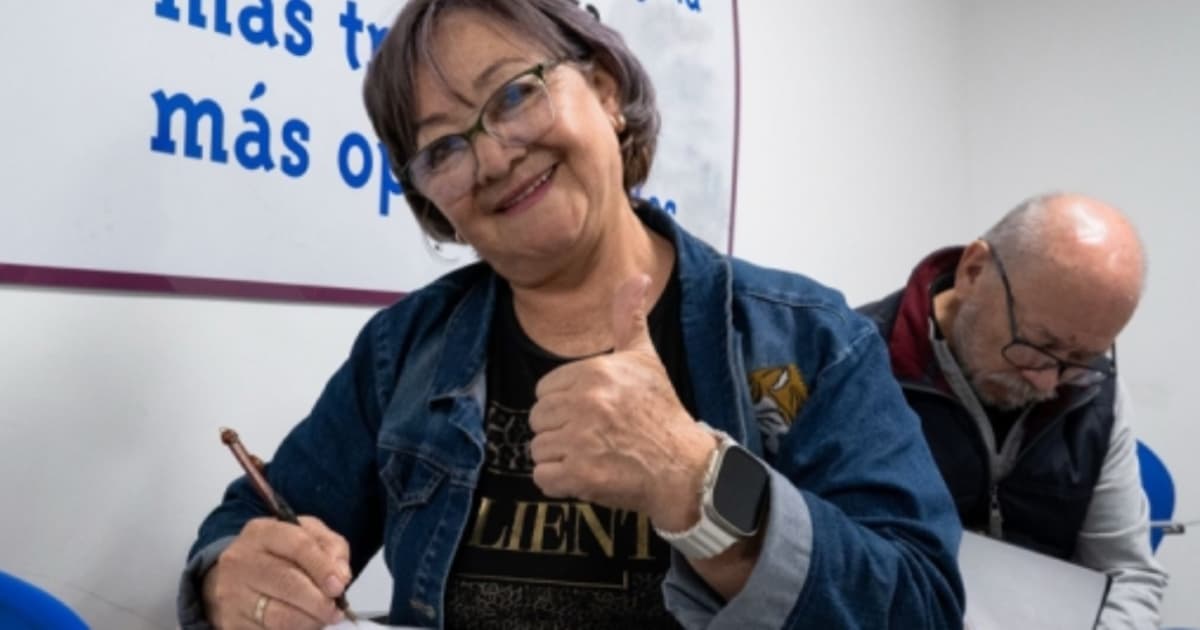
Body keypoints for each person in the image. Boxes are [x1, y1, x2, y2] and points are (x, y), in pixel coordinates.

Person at [177, 1, 964, 628]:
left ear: (607, 90)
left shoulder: (808, 339)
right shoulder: (402, 351)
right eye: (443, 149)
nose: (492, 157)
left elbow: (922, 606)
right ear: (434, 205)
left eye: (514, 93)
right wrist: (229, 579)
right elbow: (254, 518)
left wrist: (699, 485)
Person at [859, 193, 1168, 628]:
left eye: (1081, 357)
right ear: (973, 272)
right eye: (1038, 346)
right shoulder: (854, 364)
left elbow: (1126, 574)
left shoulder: (1096, 390)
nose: (1048, 382)